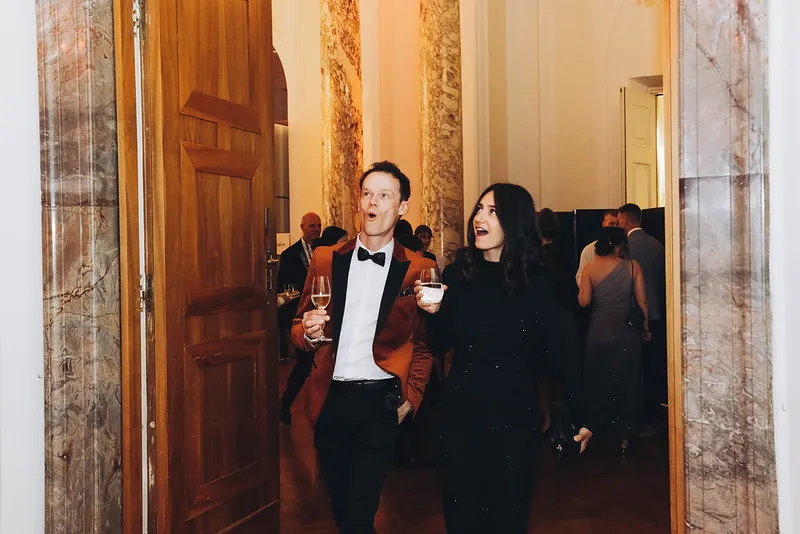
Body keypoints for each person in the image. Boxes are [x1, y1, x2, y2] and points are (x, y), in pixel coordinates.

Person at [416, 183, 592, 534]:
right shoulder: (456, 275)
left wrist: (581, 413)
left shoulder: (537, 284)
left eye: (493, 211)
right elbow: (437, 344)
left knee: (507, 519)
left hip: (514, 421)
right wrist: (433, 312)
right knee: (461, 520)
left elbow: (559, 356)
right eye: (479, 209)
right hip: (460, 418)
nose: (480, 217)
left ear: (515, 222)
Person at [292, 160, 435, 534]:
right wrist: (307, 333)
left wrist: (412, 396)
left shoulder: (417, 268)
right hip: (330, 400)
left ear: (402, 206)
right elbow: (298, 325)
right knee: (342, 508)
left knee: (359, 514)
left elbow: (423, 344)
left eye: (384, 195)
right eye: (367, 193)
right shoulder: (325, 259)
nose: (372, 202)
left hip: (380, 403)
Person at [578, 226, 649, 454]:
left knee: (598, 382)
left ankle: (597, 430)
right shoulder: (632, 266)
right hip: (626, 334)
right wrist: (646, 327)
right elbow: (642, 301)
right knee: (627, 384)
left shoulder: (589, 268)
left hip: (598, 335)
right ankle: (624, 436)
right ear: (620, 245)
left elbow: (584, 302)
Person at [279, 224, 348, 426]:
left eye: (319, 225)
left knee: (306, 366)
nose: (316, 228)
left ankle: (289, 402)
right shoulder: (293, 254)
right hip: (303, 313)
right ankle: (287, 403)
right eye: (312, 225)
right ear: (301, 227)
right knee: (304, 365)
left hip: (324, 318)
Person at [617, 203, 667, 436]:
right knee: (653, 367)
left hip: (632, 315)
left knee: (634, 369)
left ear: (625, 220)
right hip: (657, 312)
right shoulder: (658, 245)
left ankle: (637, 416)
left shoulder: (625, 248)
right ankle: (654, 414)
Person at [575, 209, 618, 287]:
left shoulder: (624, 249)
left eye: (617, 224)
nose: (615, 227)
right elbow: (580, 277)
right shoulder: (589, 250)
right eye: (611, 224)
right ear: (604, 224)